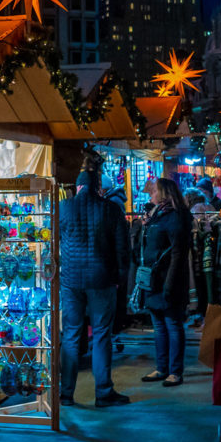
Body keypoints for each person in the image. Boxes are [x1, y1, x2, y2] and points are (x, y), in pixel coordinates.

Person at [59, 170, 131, 408]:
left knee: (71, 333)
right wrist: (121, 277)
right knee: (101, 334)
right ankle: (103, 392)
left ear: (78, 188)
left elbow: (54, 241)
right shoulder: (111, 209)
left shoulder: (63, 207)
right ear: (99, 187)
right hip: (102, 279)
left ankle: (66, 393)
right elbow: (123, 248)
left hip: (71, 280)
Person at [138, 178, 193, 387]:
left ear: (163, 193)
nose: (150, 194)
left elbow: (178, 254)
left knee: (172, 324)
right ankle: (162, 367)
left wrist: (170, 284)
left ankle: (175, 371)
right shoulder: (157, 215)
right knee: (159, 326)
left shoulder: (176, 217)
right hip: (153, 279)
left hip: (169, 280)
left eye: (154, 191)